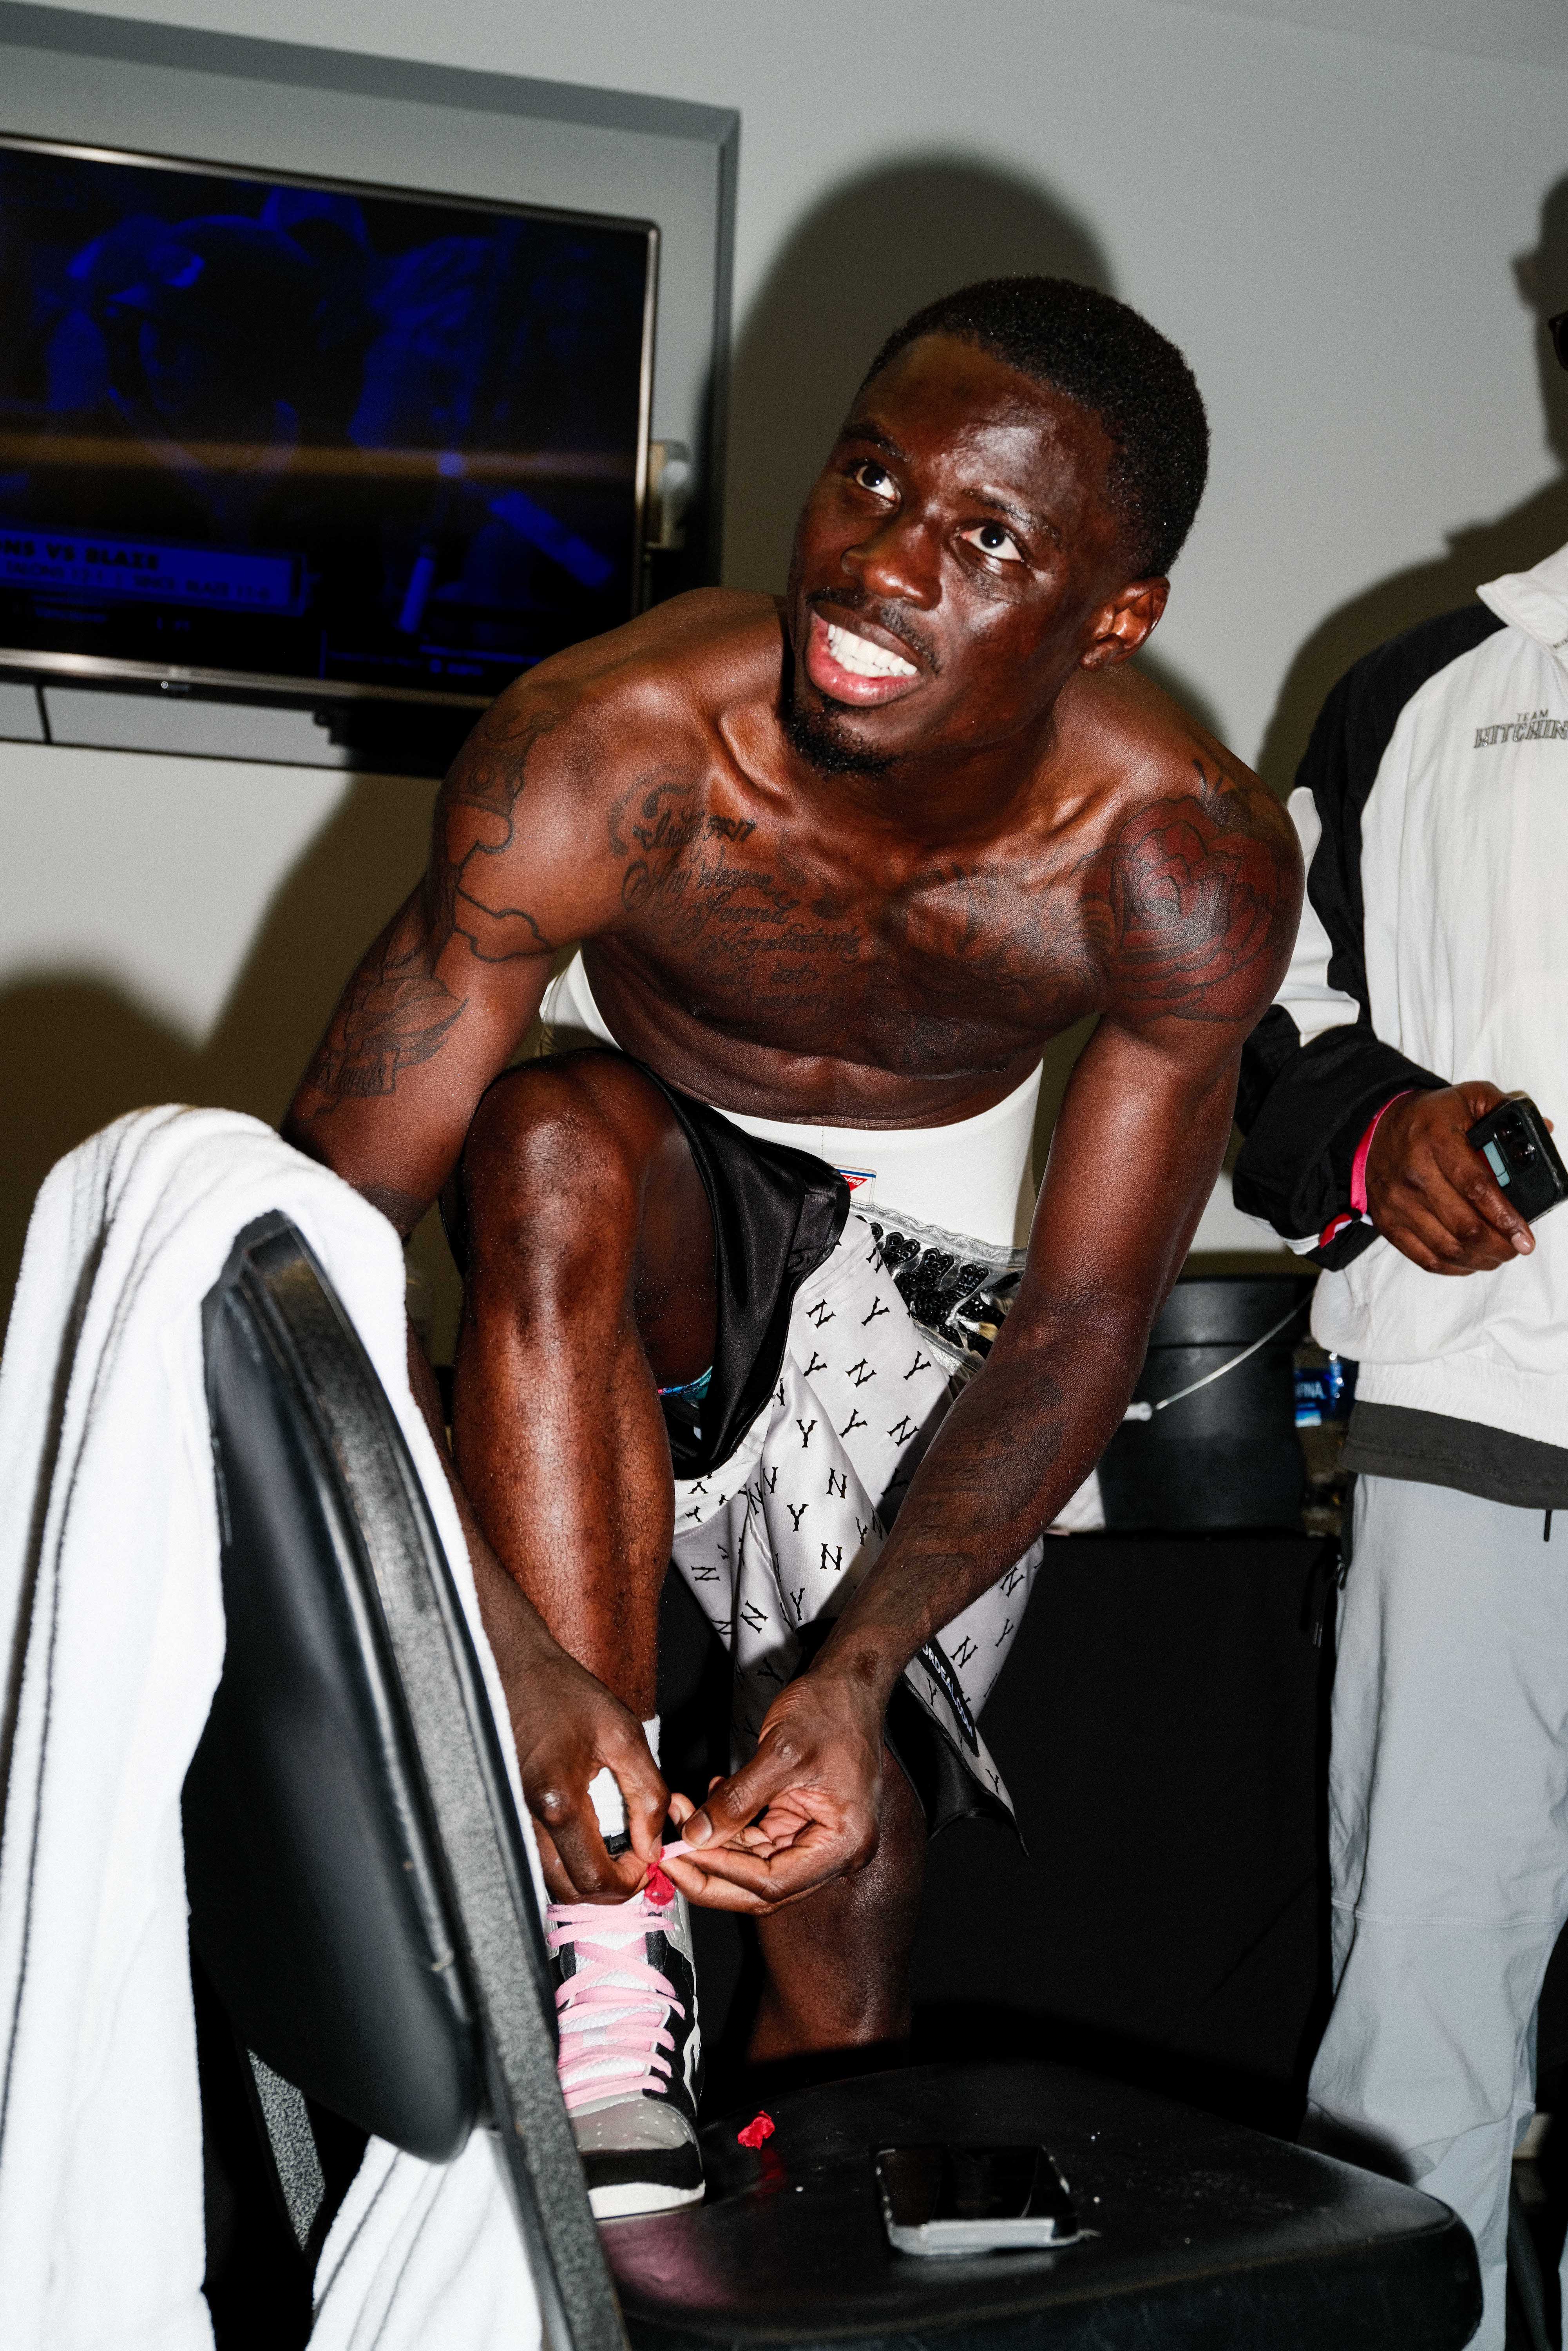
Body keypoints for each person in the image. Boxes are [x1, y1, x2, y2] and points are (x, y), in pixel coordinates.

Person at [287, 275, 1300, 2214]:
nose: (878, 565)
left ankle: (797, 2244)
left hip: (926, 1344)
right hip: (623, 1274)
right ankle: (607, 1964)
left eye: (983, 539)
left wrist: (855, 1664)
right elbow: (299, 1239)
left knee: (849, 1867)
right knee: (552, 1135)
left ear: (1110, 617)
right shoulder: (611, 754)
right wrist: (505, 1654)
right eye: (869, 476)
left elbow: (1086, 1318)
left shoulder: (1175, 859)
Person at [1232, 302, 1568, 2351]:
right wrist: (1378, 1140)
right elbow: (1249, 1007)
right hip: (1480, 1443)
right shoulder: (1419, 688)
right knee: (1421, 2017)